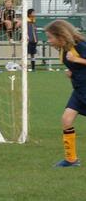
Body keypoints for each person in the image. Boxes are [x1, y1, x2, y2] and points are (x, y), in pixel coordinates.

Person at [45, 20, 86, 167]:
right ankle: (71, 159)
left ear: (61, 35)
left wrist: (76, 60)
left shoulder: (79, 45)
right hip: (79, 90)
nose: (49, 41)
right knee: (66, 120)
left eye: (50, 37)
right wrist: (71, 70)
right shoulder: (64, 48)